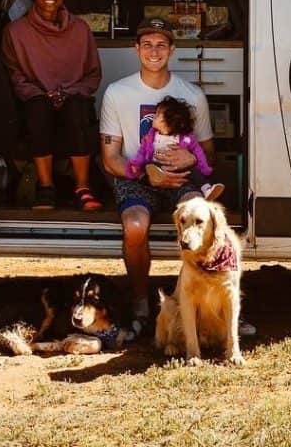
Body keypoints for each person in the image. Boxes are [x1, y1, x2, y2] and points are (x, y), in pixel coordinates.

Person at [100, 17, 253, 337]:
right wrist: (146, 173)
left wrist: (190, 158)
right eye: (146, 44)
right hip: (137, 179)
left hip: (183, 178)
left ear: (172, 49)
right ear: (136, 48)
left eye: (161, 45)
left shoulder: (191, 95)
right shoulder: (117, 93)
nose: (153, 51)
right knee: (135, 225)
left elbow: (209, 153)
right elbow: (110, 158)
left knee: (203, 220)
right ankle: (141, 301)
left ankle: (218, 307)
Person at [1, 0, 103, 211]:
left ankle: (82, 186)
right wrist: (39, 94)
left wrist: (69, 92)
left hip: (73, 96)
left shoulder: (80, 29)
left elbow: (93, 74)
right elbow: (14, 74)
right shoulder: (15, 31)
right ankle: (46, 187)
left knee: (77, 109)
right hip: (37, 98)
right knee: (38, 110)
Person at [125, 95, 224, 201]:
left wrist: (202, 166)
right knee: (149, 166)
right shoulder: (150, 137)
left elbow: (198, 152)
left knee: (194, 172)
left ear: (169, 121)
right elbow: (142, 152)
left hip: (180, 169)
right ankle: (160, 175)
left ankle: (207, 189)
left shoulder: (185, 138)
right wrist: (136, 164)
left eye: (158, 115)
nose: (154, 117)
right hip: (157, 167)